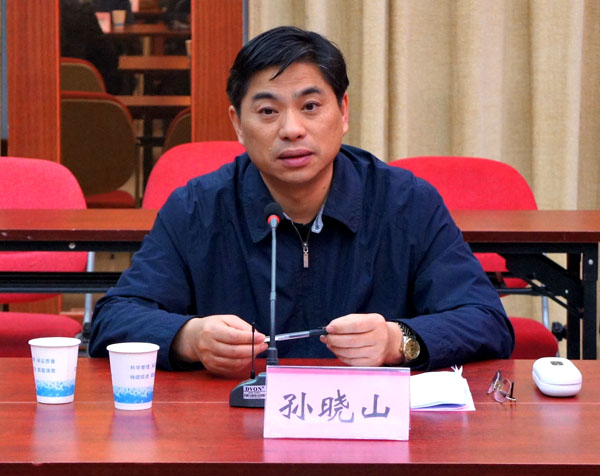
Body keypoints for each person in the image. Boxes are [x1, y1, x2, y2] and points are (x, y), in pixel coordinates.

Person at [89, 26, 514, 377]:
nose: (291, 129)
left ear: (343, 112)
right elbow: (113, 318)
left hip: (370, 426)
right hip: (236, 430)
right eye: (268, 111)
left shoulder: (406, 202)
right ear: (238, 124)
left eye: (310, 106)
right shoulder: (196, 208)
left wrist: (396, 341)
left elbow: (486, 319)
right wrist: (190, 337)